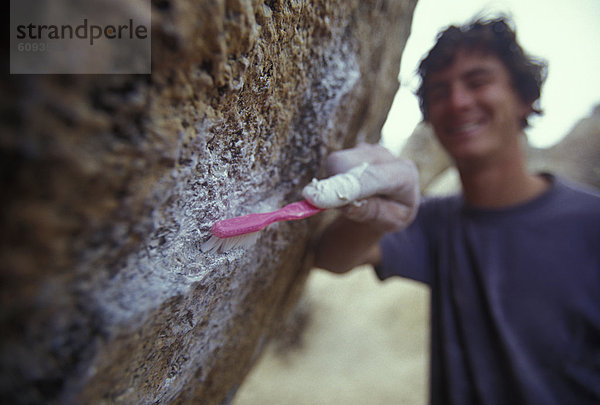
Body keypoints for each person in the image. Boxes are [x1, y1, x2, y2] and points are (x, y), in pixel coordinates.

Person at [303, 17, 600, 405]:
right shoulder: (435, 222)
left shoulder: (591, 224)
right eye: (440, 91)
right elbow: (331, 258)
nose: (458, 102)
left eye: (477, 82)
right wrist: (373, 212)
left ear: (524, 97)